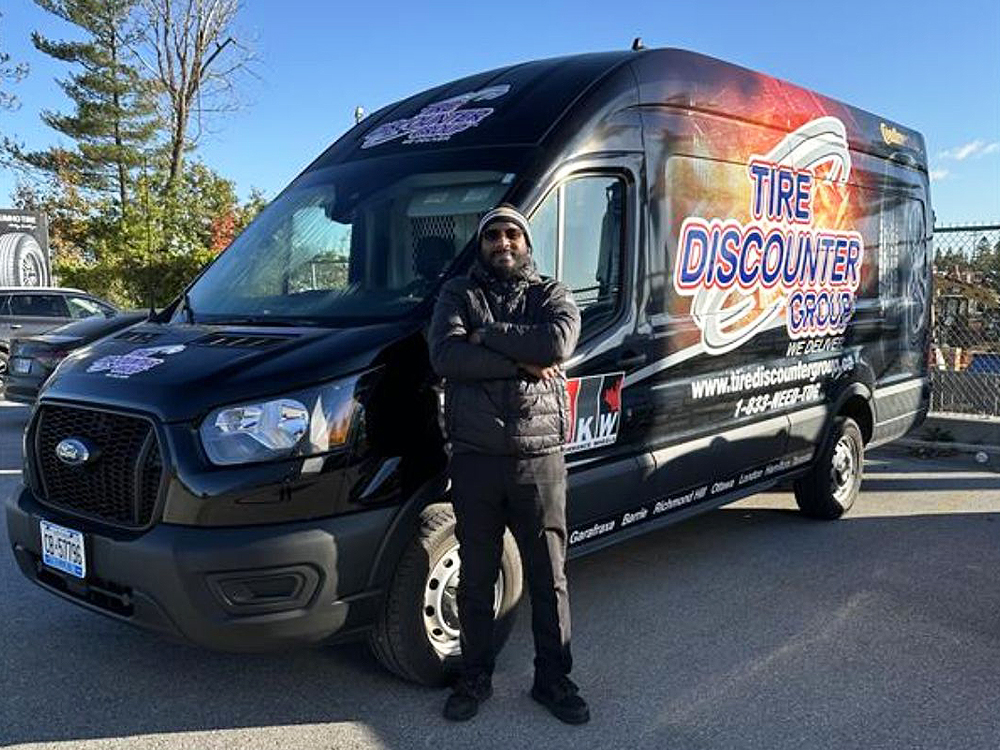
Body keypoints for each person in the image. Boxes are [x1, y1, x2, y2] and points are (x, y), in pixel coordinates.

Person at [429, 204, 588, 724]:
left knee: (548, 577)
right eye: (493, 235)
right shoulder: (458, 294)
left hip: (538, 460)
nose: (503, 242)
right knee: (477, 577)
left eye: (512, 234)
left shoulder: (551, 293)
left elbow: (556, 342)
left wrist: (486, 335)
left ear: (526, 242)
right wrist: (522, 360)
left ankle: (553, 679)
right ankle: (475, 677)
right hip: (476, 459)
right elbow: (447, 357)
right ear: (481, 245)